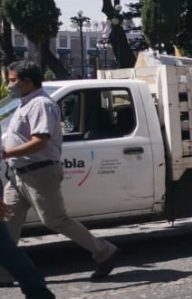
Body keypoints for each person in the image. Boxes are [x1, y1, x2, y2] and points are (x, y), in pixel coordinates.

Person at [1, 62, 119, 284]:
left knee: (55, 220)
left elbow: (40, 141)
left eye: (12, 80)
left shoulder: (41, 104)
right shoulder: (24, 104)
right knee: (7, 222)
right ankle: (5, 271)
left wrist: (6, 154)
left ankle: (104, 251)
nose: (9, 85)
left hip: (39, 174)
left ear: (27, 81)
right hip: (18, 175)